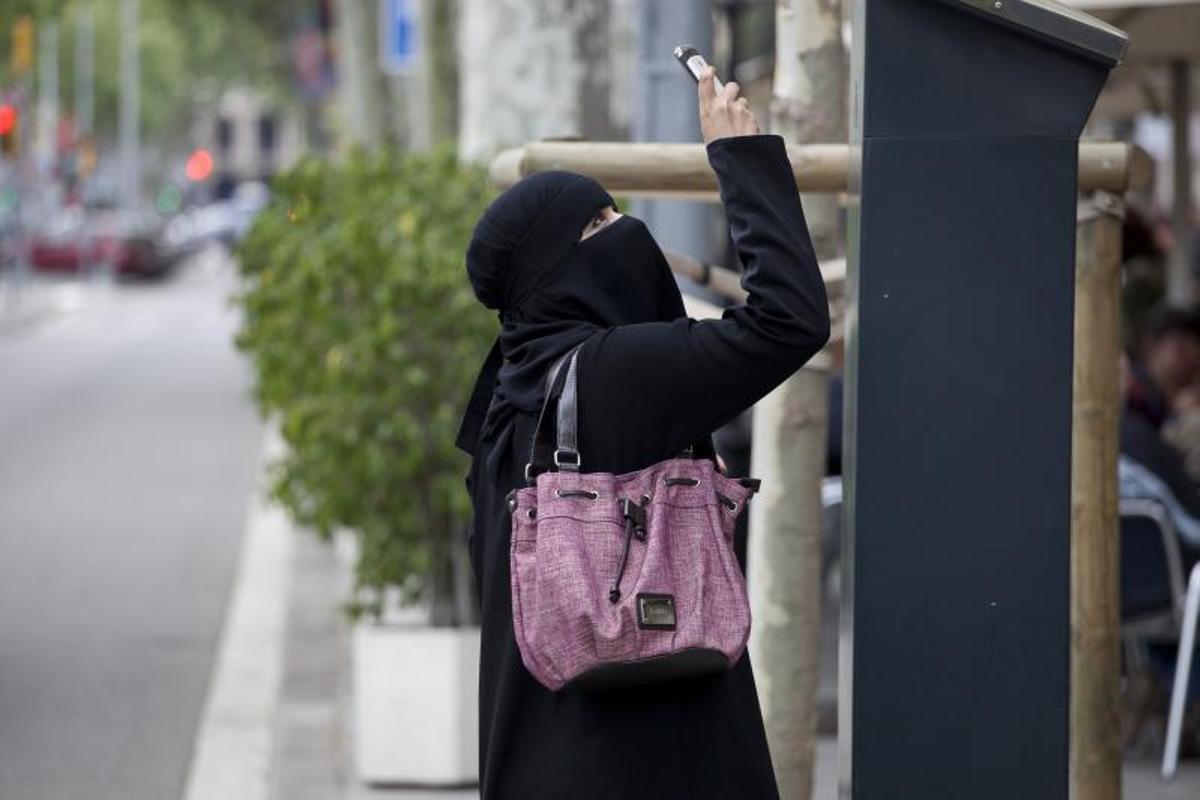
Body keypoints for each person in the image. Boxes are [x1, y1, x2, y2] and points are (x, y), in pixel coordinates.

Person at [455, 66, 829, 798]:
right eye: (595, 224)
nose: (627, 231)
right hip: (648, 764)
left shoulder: (504, 394)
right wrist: (742, 159)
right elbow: (791, 319)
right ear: (553, 268)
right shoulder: (616, 375)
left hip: (540, 759)